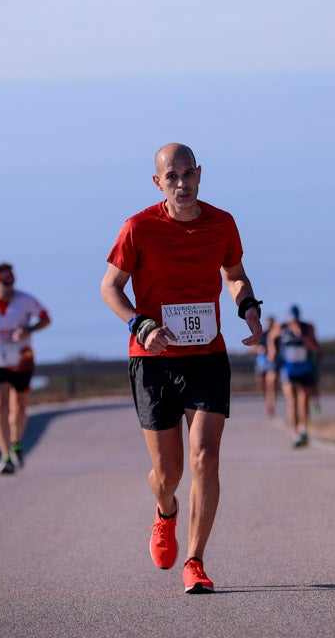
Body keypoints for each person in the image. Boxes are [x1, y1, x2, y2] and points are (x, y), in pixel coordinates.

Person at [100, 142, 264, 595]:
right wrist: (141, 322)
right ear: (158, 182)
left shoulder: (222, 223)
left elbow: (234, 275)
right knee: (169, 473)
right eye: (171, 177)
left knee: (206, 457)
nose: (181, 183)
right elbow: (110, 288)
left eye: (187, 174)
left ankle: (195, 560)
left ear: (200, 174)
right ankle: (165, 510)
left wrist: (248, 307)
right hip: (152, 360)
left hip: (207, 355)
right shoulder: (138, 227)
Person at [0, 262, 51, 475]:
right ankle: (5, 456)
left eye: (12, 281)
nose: (10, 286)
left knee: (20, 408)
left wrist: (28, 329)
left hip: (21, 360)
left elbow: (46, 318)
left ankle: (16, 443)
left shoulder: (25, 299)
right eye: (5, 282)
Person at [267, 304, 322, 448]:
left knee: (304, 400)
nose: (294, 322)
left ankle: (304, 429)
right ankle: (295, 433)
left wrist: (304, 339)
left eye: (296, 319)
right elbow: (271, 338)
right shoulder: (281, 327)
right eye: (292, 320)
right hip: (288, 369)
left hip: (304, 368)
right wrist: (272, 351)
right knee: (292, 401)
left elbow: (316, 348)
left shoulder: (307, 327)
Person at [250, 315, 278, 417]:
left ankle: (271, 405)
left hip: (272, 363)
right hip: (261, 362)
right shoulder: (262, 334)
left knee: (271, 383)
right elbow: (251, 348)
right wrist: (259, 349)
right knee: (263, 385)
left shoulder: (277, 335)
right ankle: (267, 401)